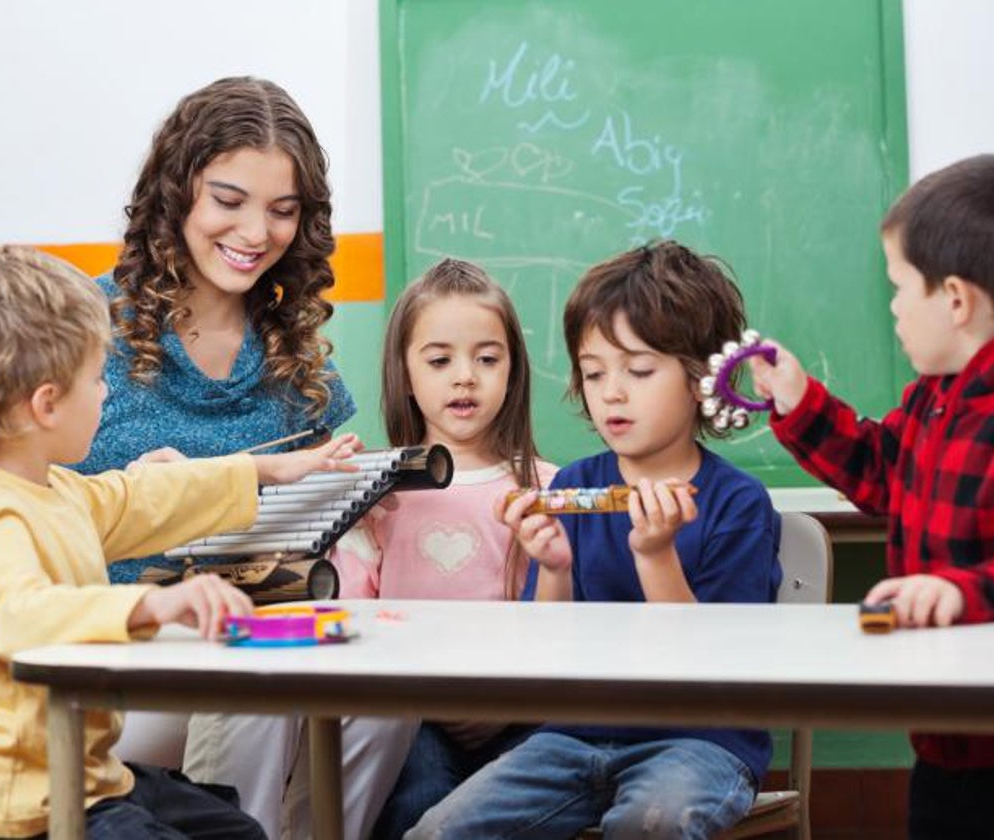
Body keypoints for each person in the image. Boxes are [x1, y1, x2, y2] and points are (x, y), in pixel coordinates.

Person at [0, 245, 363, 840]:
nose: (104, 393)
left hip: (90, 776)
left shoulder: (55, 491)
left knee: (237, 831)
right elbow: (18, 615)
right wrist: (150, 604)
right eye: (96, 379)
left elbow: (140, 498)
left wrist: (268, 470)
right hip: (26, 809)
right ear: (46, 405)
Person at [71, 76, 381, 816]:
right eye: (229, 201)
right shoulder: (83, 331)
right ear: (178, 193)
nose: (254, 234)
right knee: (263, 689)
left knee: (385, 700)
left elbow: (316, 535)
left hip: (247, 650)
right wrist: (148, 502)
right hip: (116, 663)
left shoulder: (298, 365)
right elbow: (14, 521)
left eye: (282, 211)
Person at [410, 241, 783, 839]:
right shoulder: (576, 486)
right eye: (592, 372)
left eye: (637, 371)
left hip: (697, 741)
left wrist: (657, 556)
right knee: (437, 831)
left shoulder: (738, 506)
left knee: (649, 825)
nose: (610, 391)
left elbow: (712, 671)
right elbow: (546, 662)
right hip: (573, 734)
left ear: (699, 380)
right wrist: (553, 568)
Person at [749, 154, 994, 840]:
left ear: (955, 300)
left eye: (898, 288)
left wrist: (960, 593)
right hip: (946, 740)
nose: (891, 306)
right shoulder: (938, 396)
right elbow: (883, 472)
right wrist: (800, 404)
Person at [325, 258, 557, 839]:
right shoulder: (375, 493)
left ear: (512, 371)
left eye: (487, 358)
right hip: (409, 717)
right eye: (439, 360)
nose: (465, 378)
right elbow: (348, 621)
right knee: (416, 800)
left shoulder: (547, 490)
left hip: (523, 712)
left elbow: (568, 628)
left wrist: (509, 705)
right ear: (405, 373)